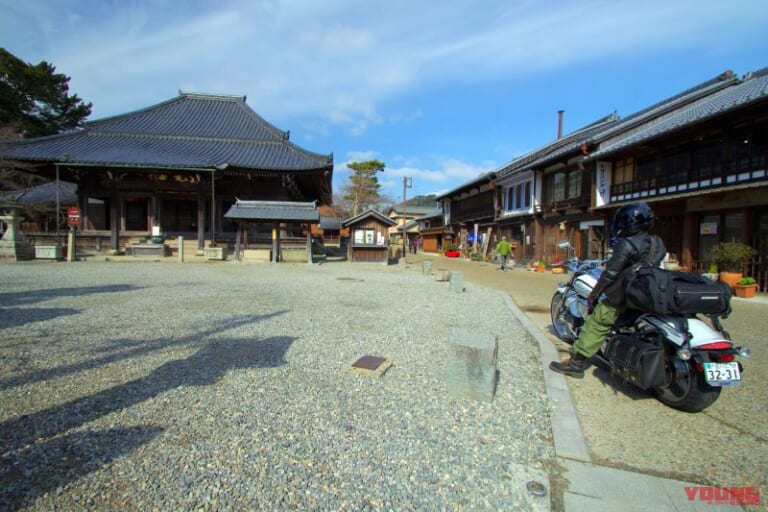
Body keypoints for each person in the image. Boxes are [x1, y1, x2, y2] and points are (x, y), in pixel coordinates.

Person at [549, 202, 667, 378]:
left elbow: (610, 273)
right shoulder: (657, 243)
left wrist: (594, 296)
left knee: (598, 322)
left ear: (629, 222)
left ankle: (577, 363)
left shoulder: (627, 244)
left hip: (626, 293)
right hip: (648, 293)